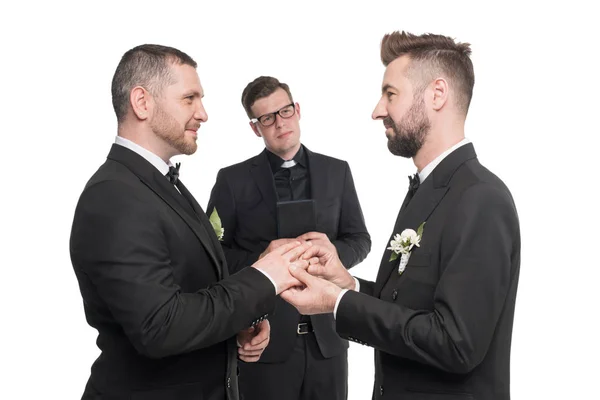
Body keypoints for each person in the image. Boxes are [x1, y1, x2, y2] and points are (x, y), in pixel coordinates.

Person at [281, 31, 521, 400]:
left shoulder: (481, 198)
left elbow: (456, 343)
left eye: (390, 94)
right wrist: (348, 284)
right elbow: (411, 306)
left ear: (437, 94)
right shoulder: (428, 189)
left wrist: (336, 302)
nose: (377, 110)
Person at [70, 44, 312, 400]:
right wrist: (265, 277)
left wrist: (235, 327)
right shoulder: (114, 196)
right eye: (190, 98)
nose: (203, 113)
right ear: (142, 102)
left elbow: (190, 289)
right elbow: (160, 327)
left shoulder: (161, 183)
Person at [207, 76, 371, 400]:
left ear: (296, 110)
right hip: (263, 339)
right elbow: (213, 254)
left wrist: (328, 255)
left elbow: (359, 239)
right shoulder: (232, 180)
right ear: (256, 128)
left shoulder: (338, 171)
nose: (279, 124)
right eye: (267, 118)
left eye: (284, 112)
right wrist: (262, 259)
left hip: (330, 341)